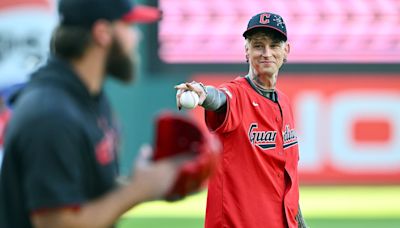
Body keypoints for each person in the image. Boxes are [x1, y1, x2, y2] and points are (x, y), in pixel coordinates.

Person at [0, 0, 188, 227]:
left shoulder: (87, 98)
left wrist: (150, 180)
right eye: (129, 27)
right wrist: (138, 190)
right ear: (102, 33)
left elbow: (89, 196)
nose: (136, 38)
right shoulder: (51, 115)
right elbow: (58, 224)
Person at [176, 12, 308, 228]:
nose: (266, 53)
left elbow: (288, 180)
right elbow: (219, 99)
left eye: (274, 45)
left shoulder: (284, 102)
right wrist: (202, 93)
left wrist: (300, 224)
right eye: (258, 45)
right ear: (246, 51)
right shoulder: (236, 94)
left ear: (286, 51)